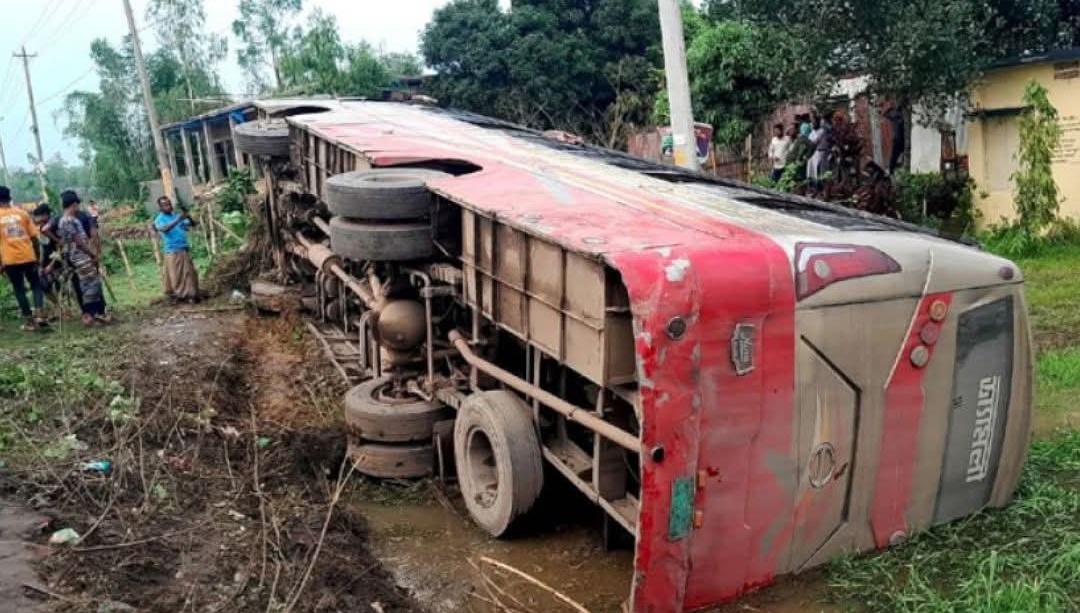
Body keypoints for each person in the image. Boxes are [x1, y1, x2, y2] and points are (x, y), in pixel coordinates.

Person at [57, 190, 109, 326]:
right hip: (80, 256)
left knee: (90, 284)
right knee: (90, 285)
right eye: (77, 205)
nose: (78, 208)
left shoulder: (69, 219)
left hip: (80, 255)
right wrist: (92, 254)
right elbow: (79, 241)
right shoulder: (67, 221)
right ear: (74, 204)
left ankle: (94, 314)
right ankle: (93, 314)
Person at [0, 186, 47, 331]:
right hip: (28, 256)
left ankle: (30, 322)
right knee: (36, 285)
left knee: (19, 289)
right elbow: (34, 238)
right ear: (9, 198)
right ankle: (40, 315)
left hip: (10, 259)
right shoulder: (22, 213)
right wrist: (37, 257)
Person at [154, 195, 200, 304]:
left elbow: (192, 224)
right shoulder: (159, 219)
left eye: (169, 204)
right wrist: (178, 219)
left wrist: (188, 216)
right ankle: (178, 295)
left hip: (183, 248)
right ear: (160, 208)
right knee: (176, 275)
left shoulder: (175, 215)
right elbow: (164, 229)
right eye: (165, 205)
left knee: (189, 273)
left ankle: (190, 295)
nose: (169, 206)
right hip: (172, 250)